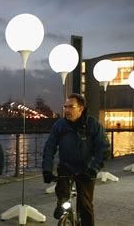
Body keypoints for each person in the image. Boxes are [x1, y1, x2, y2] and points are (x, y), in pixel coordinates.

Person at [42, 93, 110, 226]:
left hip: (86, 169)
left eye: (71, 107)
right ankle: (61, 203)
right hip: (66, 166)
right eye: (65, 107)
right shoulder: (60, 125)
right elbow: (49, 147)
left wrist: (93, 169)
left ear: (81, 108)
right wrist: (46, 170)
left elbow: (104, 148)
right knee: (61, 190)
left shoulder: (92, 124)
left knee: (85, 205)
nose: (67, 110)